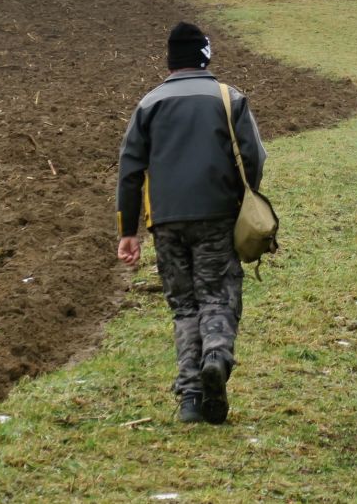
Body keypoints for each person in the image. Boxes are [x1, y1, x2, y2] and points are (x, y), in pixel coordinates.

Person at [117, 21, 266, 424]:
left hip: (165, 221)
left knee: (184, 306)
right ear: (205, 56)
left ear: (170, 60)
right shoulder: (228, 98)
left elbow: (129, 171)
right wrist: (244, 198)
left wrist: (128, 231)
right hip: (217, 214)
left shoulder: (149, 103)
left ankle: (191, 398)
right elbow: (254, 157)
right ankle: (216, 356)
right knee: (217, 296)